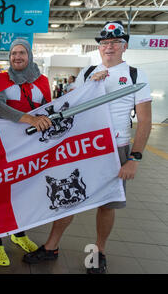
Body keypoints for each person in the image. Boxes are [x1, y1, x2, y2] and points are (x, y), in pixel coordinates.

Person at [22, 20, 152, 274]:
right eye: (105, 43)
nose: (109, 47)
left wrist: (134, 157)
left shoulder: (136, 75)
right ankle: (51, 247)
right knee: (68, 198)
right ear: (100, 47)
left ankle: (98, 252)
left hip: (117, 147)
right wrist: (92, 84)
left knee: (107, 204)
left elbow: (145, 120)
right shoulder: (87, 72)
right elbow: (71, 108)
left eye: (115, 42)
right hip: (84, 146)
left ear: (124, 46)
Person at [0, 38, 53, 266]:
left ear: (29, 56)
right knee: (1, 193)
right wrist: (28, 118)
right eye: (13, 53)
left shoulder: (43, 81)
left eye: (21, 53)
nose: (17, 57)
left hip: (32, 148)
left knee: (25, 192)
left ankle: (19, 233)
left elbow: (50, 109)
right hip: (4, 148)